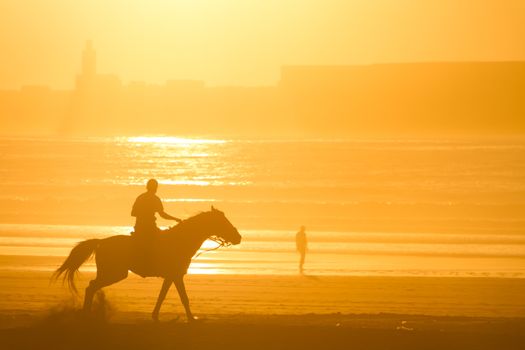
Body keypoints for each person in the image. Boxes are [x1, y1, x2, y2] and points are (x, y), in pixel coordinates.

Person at [131, 179, 181, 274]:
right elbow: (162, 214)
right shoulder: (155, 199)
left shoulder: (140, 197)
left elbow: (133, 213)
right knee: (163, 242)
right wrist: (175, 219)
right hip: (149, 228)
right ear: (155, 188)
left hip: (139, 228)